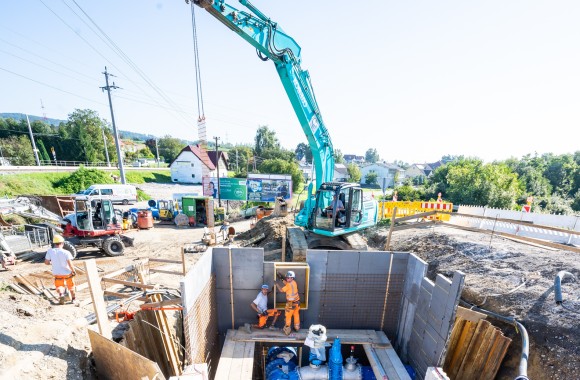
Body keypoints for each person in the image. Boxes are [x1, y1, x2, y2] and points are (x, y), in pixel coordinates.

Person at [44, 235, 76, 305]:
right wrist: (73, 271)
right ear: (62, 243)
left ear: (54, 243)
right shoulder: (66, 252)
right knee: (71, 286)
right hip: (67, 273)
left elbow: (46, 262)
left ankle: (61, 295)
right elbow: (70, 263)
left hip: (57, 273)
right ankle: (73, 300)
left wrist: (52, 262)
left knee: (59, 286)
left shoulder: (50, 251)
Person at [276, 270, 300, 336]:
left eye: (288, 278)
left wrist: (276, 284)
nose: (287, 278)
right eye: (286, 277)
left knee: (288, 316)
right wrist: (281, 278)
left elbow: (281, 290)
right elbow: (286, 283)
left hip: (290, 303)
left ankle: (287, 330)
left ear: (292, 278)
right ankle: (297, 328)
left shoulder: (289, 285)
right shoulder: (294, 282)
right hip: (297, 303)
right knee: (296, 315)